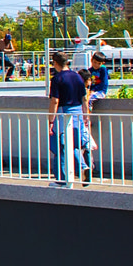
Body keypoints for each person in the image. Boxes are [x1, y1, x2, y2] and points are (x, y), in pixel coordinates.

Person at [46, 51, 89, 186]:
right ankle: (83, 166)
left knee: (60, 147)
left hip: (64, 113)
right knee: (74, 144)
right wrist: (86, 116)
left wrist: (51, 120)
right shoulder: (77, 77)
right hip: (78, 114)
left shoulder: (57, 79)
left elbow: (55, 101)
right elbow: (84, 98)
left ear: (55, 63)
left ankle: (62, 179)